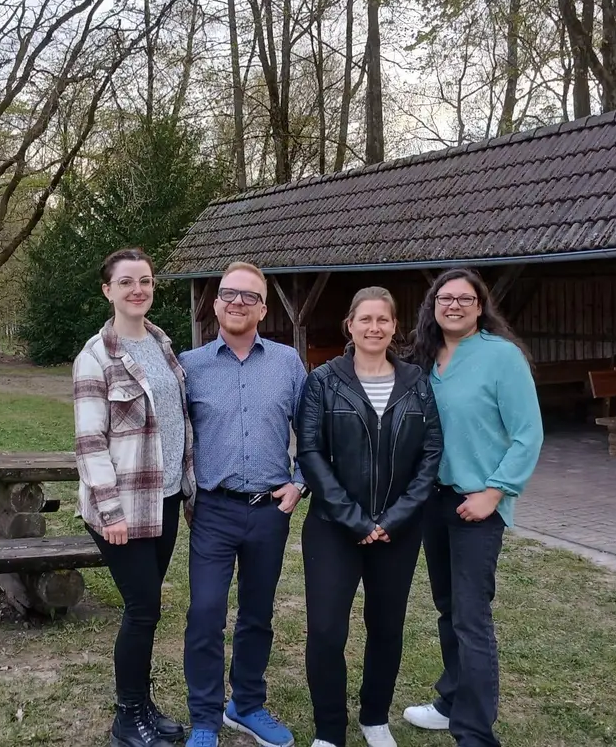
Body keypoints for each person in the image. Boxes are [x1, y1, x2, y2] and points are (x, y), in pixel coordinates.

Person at [397, 269, 543, 747]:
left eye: (465, 298)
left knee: (471, 616)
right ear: (433, 306)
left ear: (481, 307)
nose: (454, 305)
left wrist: (495, 492)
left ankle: (476, 733)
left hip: (477, 504)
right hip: (433, 502)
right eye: (445, 297)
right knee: (447, 608)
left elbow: (528, 434)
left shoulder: (501, 358)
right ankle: (451, 701)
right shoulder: (425, 359)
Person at [295, 287, 444, 747]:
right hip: (333, 528)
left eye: (383, 319)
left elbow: (431, 453)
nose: (374, 327)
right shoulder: (323, 380)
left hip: (398, 531)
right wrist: (355, 519)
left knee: (386, 626)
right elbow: (311, 451)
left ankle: (374, 716)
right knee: (325, 630)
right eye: (365, 319)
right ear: (350, 325)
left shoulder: (417, 381)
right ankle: (329, 729)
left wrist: (394, 518)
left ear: (394, 326)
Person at [178, 261, 310, 747]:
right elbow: (172, 436)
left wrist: (300, 482)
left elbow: (312, 432)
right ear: (215, 304)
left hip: (270, 511)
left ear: (263, 308)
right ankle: (206, 720)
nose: (237, 302)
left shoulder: (287, 364)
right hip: (213, 509)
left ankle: (246, 704)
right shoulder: (189, 366)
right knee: (206, 612)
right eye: (229, 294)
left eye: (249, 296)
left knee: (258, 613)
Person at [73, 248, 197, 747]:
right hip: (120, 510)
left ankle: (144, 706)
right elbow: (89, 443)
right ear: (108, 290)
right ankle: (128, 719)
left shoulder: (164, 347)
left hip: (163, 499)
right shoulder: (94, 357)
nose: (137, 290)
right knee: (142, 609)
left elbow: (180, 423)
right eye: (126, 282)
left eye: (144, 281)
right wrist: (110, 512)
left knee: (145, 610)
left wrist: (187, 492)